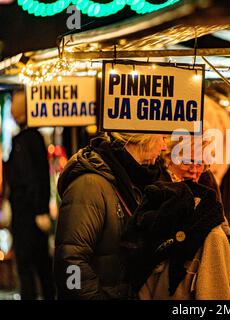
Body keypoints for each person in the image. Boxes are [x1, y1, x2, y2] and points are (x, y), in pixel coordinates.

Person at [54, 132, 166, 299]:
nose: (164, 146)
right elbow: (70, 262)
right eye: (162, 137)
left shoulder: (136, 181)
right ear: (144, 137)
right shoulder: (89, 186)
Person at [134, 133, 230, 300]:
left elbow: (220, 218)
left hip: (200, 266)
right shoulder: (156, 182)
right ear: (169, 159)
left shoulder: (207, 180)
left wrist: (229, 244)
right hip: (161, 272)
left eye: (201, 163)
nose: (194, 170)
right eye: (187, 161)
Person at [5, 90, 55, 300]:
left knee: (28, 267)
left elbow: (28, 179)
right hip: (34, 214)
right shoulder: (35, 138)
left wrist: (38, 210)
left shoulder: (23, 142)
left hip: (27, 215)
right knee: (42, 266)